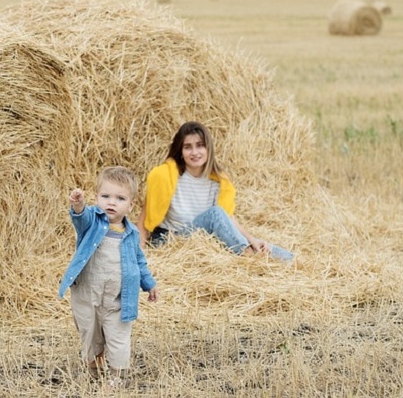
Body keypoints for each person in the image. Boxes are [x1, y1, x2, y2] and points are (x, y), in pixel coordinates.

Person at [58, 166, 158, 388]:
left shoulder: (131, 233)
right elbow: (80, 219)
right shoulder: (93, 221)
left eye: (120, 198)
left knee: (118, 336)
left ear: (131, 205)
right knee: (90, 333)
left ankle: (117, 375)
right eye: (105, 196)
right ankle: (94, 369)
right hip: (88, 293)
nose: (111, 202)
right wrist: (78, 206)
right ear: (97, 198)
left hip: (118, 299)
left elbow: (139, 261)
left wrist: (149, 283)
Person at [137, 121, 294, 261]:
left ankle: (291, 261)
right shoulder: (165, 176)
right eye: (187, 147)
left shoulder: (218, 182)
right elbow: (144, 219)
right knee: (214, 214)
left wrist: (252, 239)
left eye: (200, 145)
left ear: (208, 148)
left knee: (256, 242)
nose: (194, 152)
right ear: (180, 151)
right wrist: (139, 257)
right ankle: (248, 256)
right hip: (172, 240)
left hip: (202, 241)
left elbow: (226, 220)